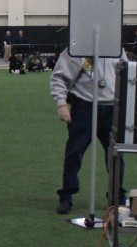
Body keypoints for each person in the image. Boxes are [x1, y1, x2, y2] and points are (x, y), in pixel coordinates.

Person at [50, 47, 128, 215]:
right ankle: (66, 195)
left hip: (112, 108)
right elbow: (59, 77)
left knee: (116, 155)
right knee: (74, 152)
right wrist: (61, 103)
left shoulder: (117, 48)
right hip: (84, 107)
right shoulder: (78, 47)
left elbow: (126, 76)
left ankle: (117, 197)